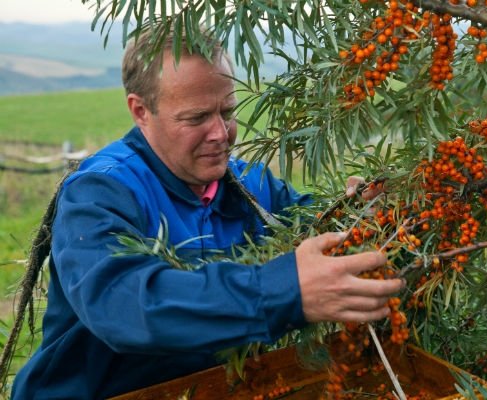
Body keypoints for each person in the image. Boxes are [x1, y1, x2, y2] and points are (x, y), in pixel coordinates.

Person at [10, 30, 404, 399]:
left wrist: (362, 212)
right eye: (196, 118)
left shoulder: (253, 185)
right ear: (141, 110)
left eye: (227, 110)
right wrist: (286, 291)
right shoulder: (99, 193)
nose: (221, 133)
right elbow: (125, 306)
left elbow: (320, 231)